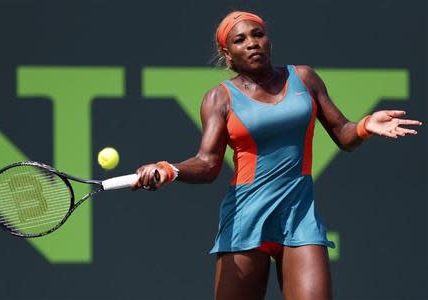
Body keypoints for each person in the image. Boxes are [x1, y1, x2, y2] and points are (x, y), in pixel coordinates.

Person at [134, 11, 422, 300]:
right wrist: (169, 169)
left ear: (268, 40)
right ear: (228, 53)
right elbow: (208, 164)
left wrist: (364, 126)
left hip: (299, 215)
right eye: (240, 39)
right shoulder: (219, 98)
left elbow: (343, 135)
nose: (252, 43)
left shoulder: (304, 78)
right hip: (246, 219)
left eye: (258, 34)